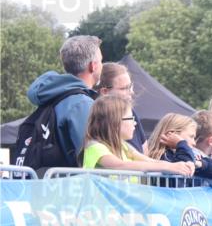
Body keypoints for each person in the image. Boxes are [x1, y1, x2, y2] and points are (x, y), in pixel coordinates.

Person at [25, 35, 102, 167]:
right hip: (71, 185)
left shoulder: (51, 95)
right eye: (101, 61)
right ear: (93, 66)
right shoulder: (82, 104)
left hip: (46, 182)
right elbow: (91, 156)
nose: (102, 65)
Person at [78, 95, 194, 177]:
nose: (135, 123)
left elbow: (149, 161)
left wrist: (178, 165)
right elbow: (120, 166)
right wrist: (169, 168)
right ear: (114, 121)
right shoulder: (95, 147)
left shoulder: (124, 146)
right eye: (130, 118)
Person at [97, 62, 150, 152]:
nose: (131, 92)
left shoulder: (131, 113)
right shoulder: (97, 121)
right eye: (124, 88)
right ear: (105, 92)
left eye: (130, 86)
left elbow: (144, 150)